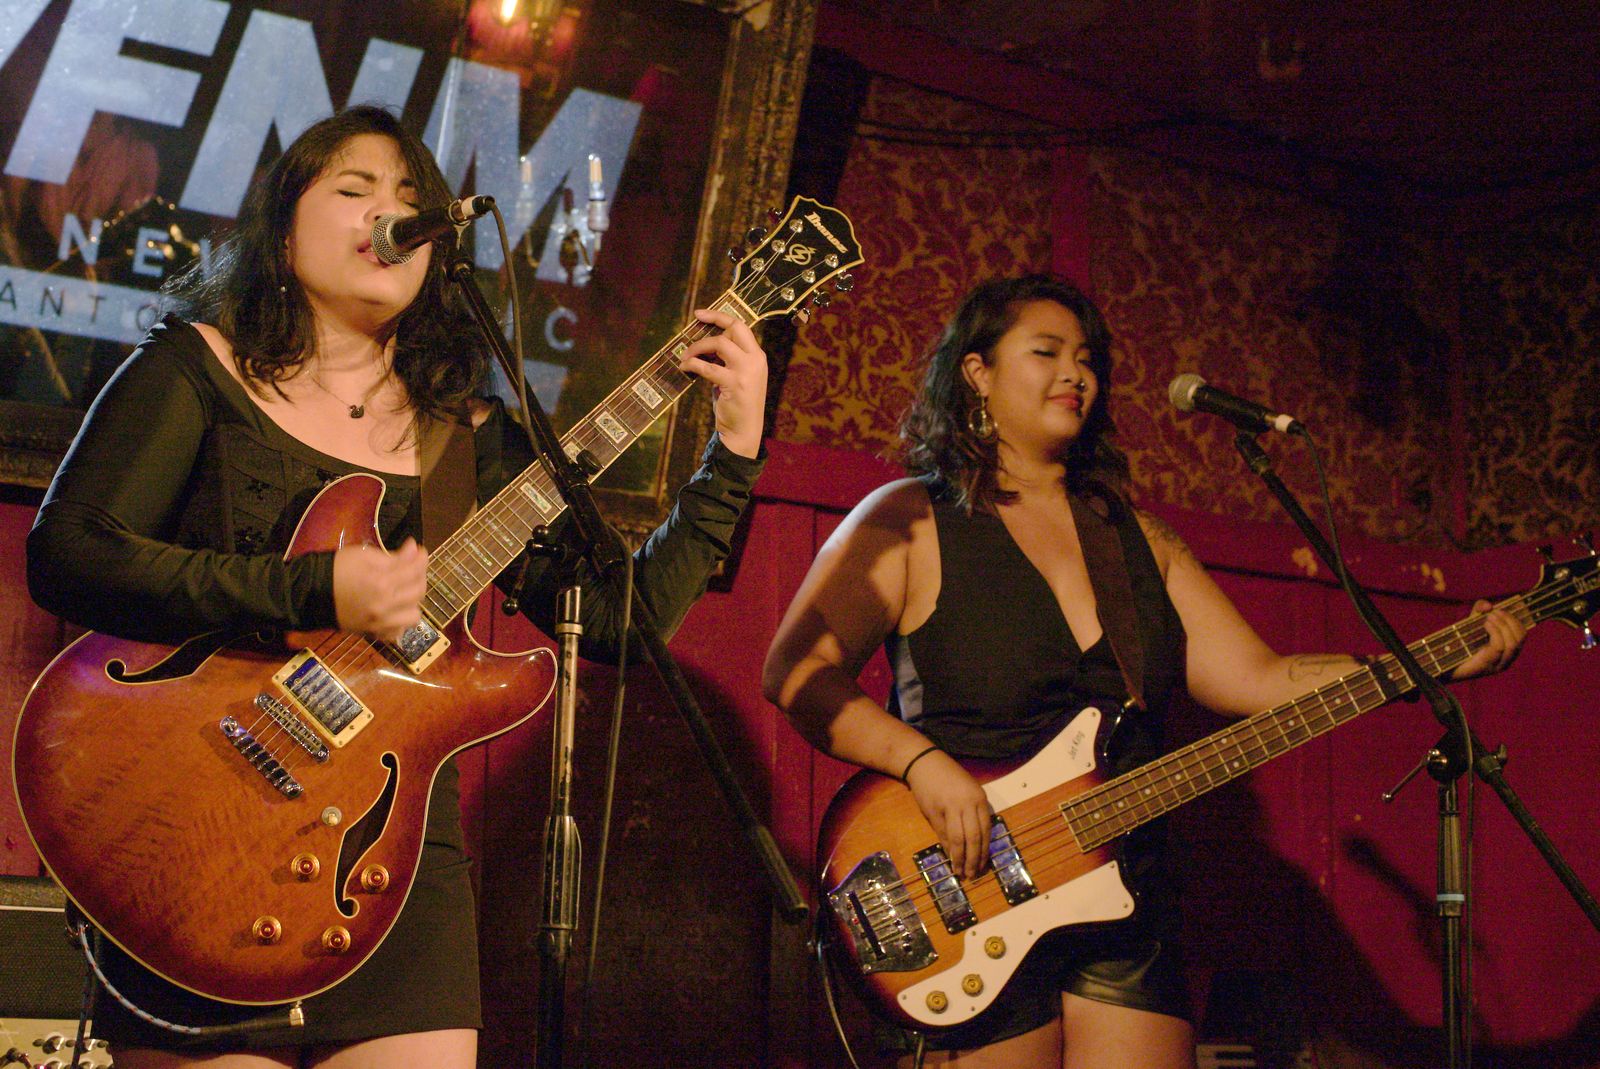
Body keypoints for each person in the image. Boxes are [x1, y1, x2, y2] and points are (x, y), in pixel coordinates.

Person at [26, 105, 768, 1069]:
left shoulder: (466, 435)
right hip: (194, 819)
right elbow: (70, 554)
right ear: (282, 230)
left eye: (411, 199)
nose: (389, 214)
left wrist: (732, 452)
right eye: (354, 189)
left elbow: (621, 620)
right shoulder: (193, 370)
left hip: (387, 858)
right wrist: (313, 590)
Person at [761, 273, 1523, 1069]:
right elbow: (796, 671)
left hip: (1126, 892)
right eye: (1047, 351)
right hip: (968, 883)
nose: (1075, 373)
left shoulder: (1139, 541)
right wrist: (921, 762)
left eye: (1088, 358)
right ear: (977, 372)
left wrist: (1429, 661)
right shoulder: (910, 519)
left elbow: (1265, 680)